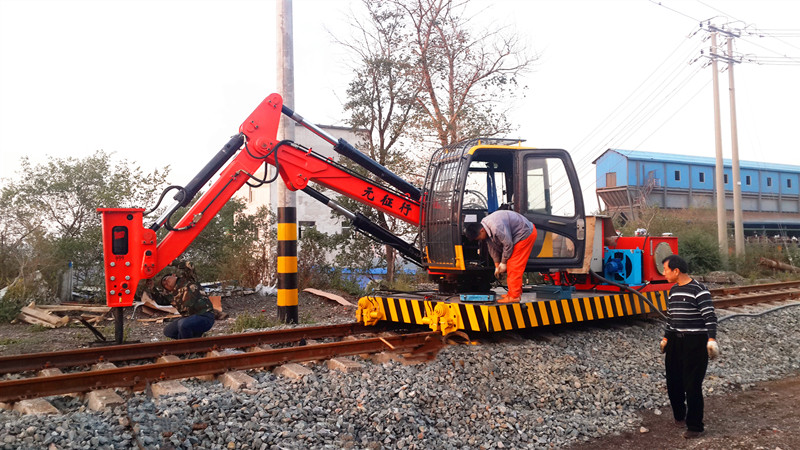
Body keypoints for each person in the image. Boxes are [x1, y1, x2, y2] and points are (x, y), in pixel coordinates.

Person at [660, 254, 719, 439]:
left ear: (676, 271)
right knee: (673, 382)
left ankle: (695, 426)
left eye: (666, 270)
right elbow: (671, 318)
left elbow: (710, 317)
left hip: (695, 342)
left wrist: (711, 340)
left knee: (692, 385)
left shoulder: (699, 290)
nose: (664, 274)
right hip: (675, 342)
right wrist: (666, 338)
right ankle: (680, 417)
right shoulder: (673, 291)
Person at [464, 210, 537, 303]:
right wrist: (497, 266)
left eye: (478, 238)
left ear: (481, 230)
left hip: (525, 234)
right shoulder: (485, 228)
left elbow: (508, 245)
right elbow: (492, 248)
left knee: (513, 265)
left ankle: (514, 296)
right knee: (510, 263)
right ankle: (512, 293)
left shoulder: (496, 227)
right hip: (516, 235)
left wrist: (503, 262)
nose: (479, 240)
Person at [148, 261, 216, 339]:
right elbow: (160, 301)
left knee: (183, 324)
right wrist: (152, 288)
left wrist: (172, 262)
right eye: (164, 285)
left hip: (204, 316)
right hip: (189, 319)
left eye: (166, 279)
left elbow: (189, 265)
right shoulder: (172, 296)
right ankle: (193, 342)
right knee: (168, 331)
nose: (165, 283)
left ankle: (188, 348)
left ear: (173, 275)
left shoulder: (188, 280)